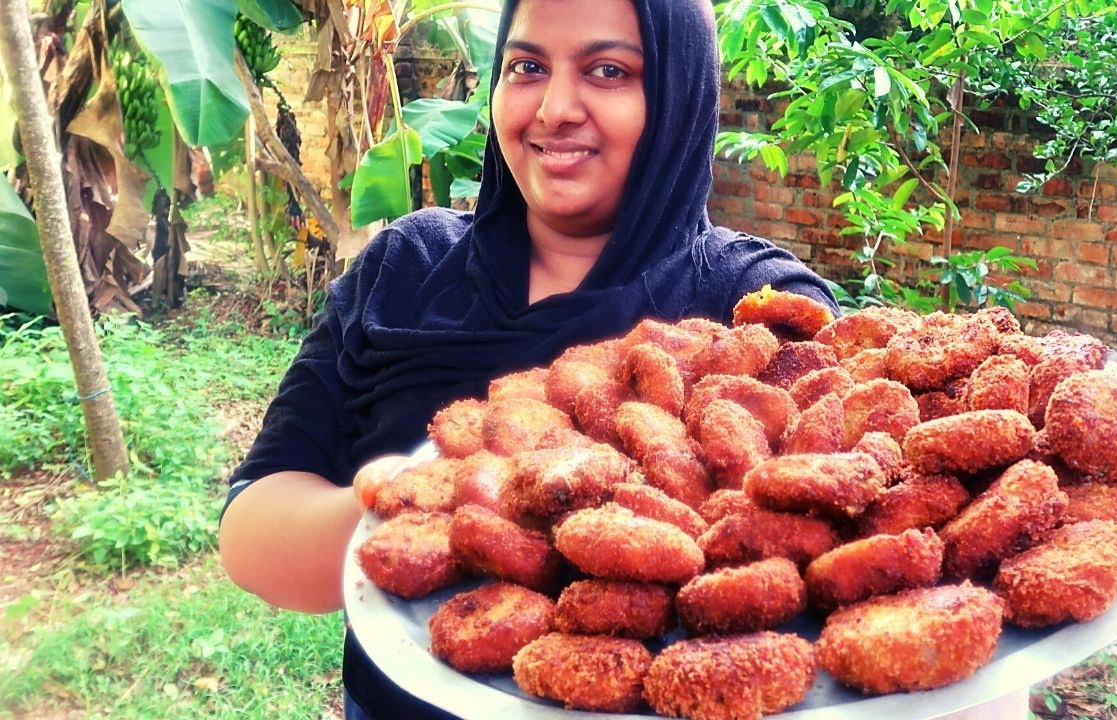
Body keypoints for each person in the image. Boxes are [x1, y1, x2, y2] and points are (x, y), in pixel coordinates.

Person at [219, 0, 838, 717]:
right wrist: (398, 502)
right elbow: (252, 525)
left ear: (681, 93)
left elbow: (837, 543)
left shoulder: (755, 307)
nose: (554, 109)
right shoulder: (406, 267)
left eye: (609, 71)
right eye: (526, 67)